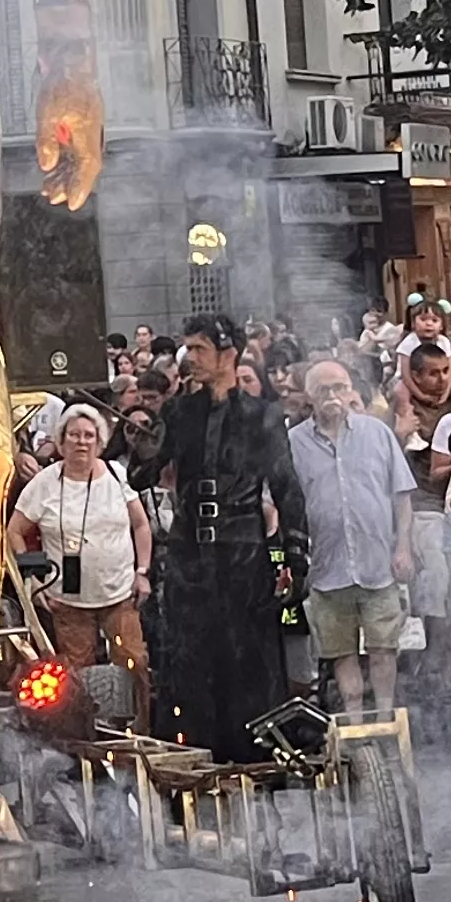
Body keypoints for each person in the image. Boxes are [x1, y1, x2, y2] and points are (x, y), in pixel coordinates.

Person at [148, 318, 299, 754]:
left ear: (228, 353)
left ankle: (255, 755)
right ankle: (194, 754)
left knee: (248, 660)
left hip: (244, 553)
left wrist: (294, 557)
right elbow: (143, 470)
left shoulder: (262, 416)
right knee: (190, 658)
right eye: (187, 349)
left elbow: (287, 489)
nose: (190, 358)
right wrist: (154, 432)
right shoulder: (180, 412)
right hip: (190, 555)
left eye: (198, 349)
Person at [287, 363, 413, 716]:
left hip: (378, 562)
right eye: (323, 390)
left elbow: (402, 496)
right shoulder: (294, 443)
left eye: (339, 387)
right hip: (326, 567)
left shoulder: (378, 434)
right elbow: (283, 502)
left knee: (383, 646)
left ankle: (385, 714)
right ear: (309, 397)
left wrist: (403, 547)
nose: (332, 396)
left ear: (350, 389)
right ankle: (355, 718)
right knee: (340, 651)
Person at [8, 408, 149, 695]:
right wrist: (33, 581)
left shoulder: (117, 474)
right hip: (68, 601)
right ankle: (85, 735)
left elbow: (141, 525)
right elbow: (13, 531)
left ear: (100, 442)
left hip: (120, 594)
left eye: (89, 435)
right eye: (74, 435)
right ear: (61, 441)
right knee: (78, 678)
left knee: (134, 663)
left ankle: (140, 729)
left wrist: (142, 571)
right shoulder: (43, 483)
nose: (81, 442)